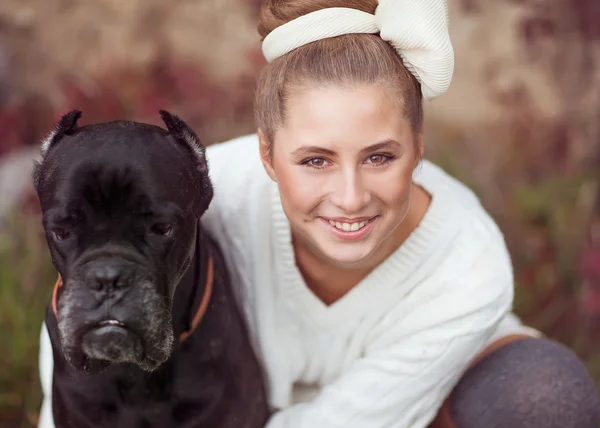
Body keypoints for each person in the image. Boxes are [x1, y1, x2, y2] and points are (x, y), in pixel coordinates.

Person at [37, 0, 599, 427]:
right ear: (267, 155)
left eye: (380, 156)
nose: (350, 197)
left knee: (543, 396)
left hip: (408, 398)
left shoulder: (468, 264)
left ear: (419, 148)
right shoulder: (206, 187)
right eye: (315, 160)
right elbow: (83, 281)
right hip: (242, 403)